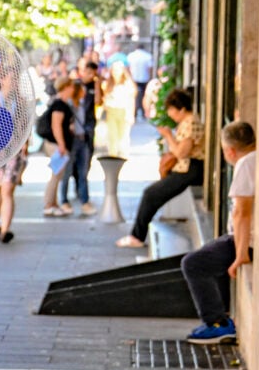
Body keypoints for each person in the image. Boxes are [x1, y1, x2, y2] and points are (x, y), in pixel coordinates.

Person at [181, 121, 255, 344]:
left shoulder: (246, 164)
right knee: (213, 255)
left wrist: (241, 254)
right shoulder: (258, 157)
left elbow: (243, 213)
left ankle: (217, 323)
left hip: (248, 240)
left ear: (229, 150)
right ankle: (224, 318)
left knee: (193, 264)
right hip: (245, 238)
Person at [117, 88, 205, 248]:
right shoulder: (187, 122)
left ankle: (137, 236)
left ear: (182, 109)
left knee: (150, 194)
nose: (170, 114)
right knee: (152, 194)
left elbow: (182, 153)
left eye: (171, 110)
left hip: (189, 169)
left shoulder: (190, 122)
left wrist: (168, 136)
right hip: (185, 168)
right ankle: (136, 235)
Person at [63, 61, 101, 216]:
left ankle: (83, 197)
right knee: (69, 169)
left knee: (84, 167)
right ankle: (66, 198)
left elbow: (98, 101)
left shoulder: (94, 87)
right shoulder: (75, 90)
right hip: (74, 138)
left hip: (86, 133)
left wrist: (97, 84)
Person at [42, 77, 78, 217]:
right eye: (71, 87)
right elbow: (56, 126)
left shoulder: (63, 103)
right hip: (56, 144)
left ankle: (53, 203)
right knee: (55, 175)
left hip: (60, 144)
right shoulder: (59, 105)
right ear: (66, 87)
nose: (73, 90)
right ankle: (49, 204)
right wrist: (61, 145)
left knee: (58, 175)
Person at [102, 61, 136, 158]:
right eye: (114, 70)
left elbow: (131, 100)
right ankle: (113, 156)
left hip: (123, 111)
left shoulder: (127, 84)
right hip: (111, 111)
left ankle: (123, 156)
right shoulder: (107, 84)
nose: (116, 72)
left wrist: (131, 114)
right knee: (113, 136)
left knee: (123, 137)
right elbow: (105, 99)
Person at [126, 45, 154, 119]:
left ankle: (134, 112)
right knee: (144, 96)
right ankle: (143, 111)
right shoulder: (147, 56)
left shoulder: (131, 56)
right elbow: (150, 68)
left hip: (133, 79)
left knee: (134, 96)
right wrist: (150, 77)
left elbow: (128, 68)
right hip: (144, 78)